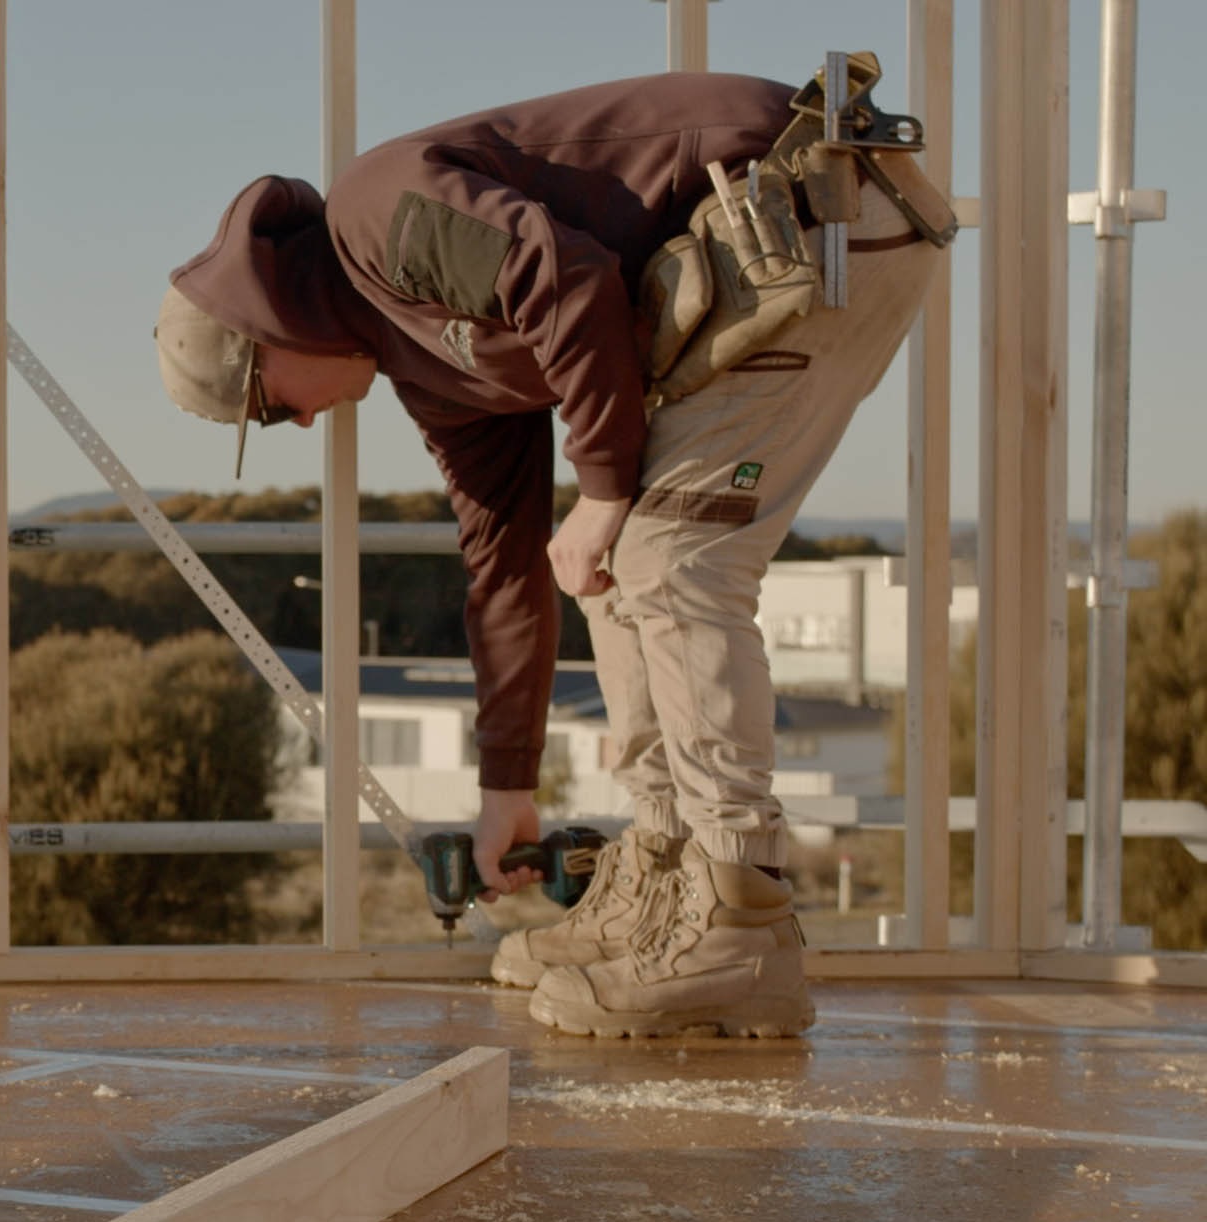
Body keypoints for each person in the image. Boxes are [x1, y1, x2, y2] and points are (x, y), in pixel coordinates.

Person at [153, 63, 950, 1037]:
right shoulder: (431, 372)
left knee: (666, 557)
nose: (299, 423)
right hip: (760, 249)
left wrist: (606, 490)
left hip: (809, 207)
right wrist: (505, 791)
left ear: (264, 331)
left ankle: (739, 920)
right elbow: (503, 561)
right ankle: (665, 885)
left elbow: (564, 277)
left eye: (270, 408)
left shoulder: (374, 215)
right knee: (610, 569)